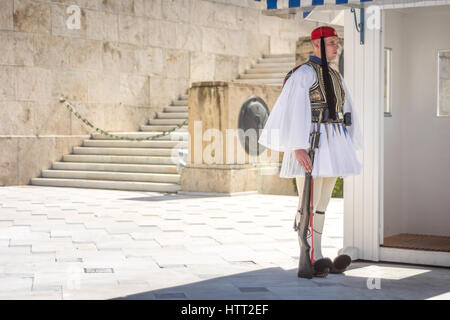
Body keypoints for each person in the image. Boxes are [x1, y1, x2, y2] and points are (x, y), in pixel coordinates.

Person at [258, 26, 363, 278]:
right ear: (316, 45)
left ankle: (318, 253)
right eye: (331, 43)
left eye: (337, 43)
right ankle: (310, 256)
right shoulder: (303, 74)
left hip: (333, 144)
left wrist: (350, 142)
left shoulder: (336, 75)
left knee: (323, 204)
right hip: (312, 143)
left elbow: (347, 110)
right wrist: (297, 147)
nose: (336, 47)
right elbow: (293, 111)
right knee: (309, 202)